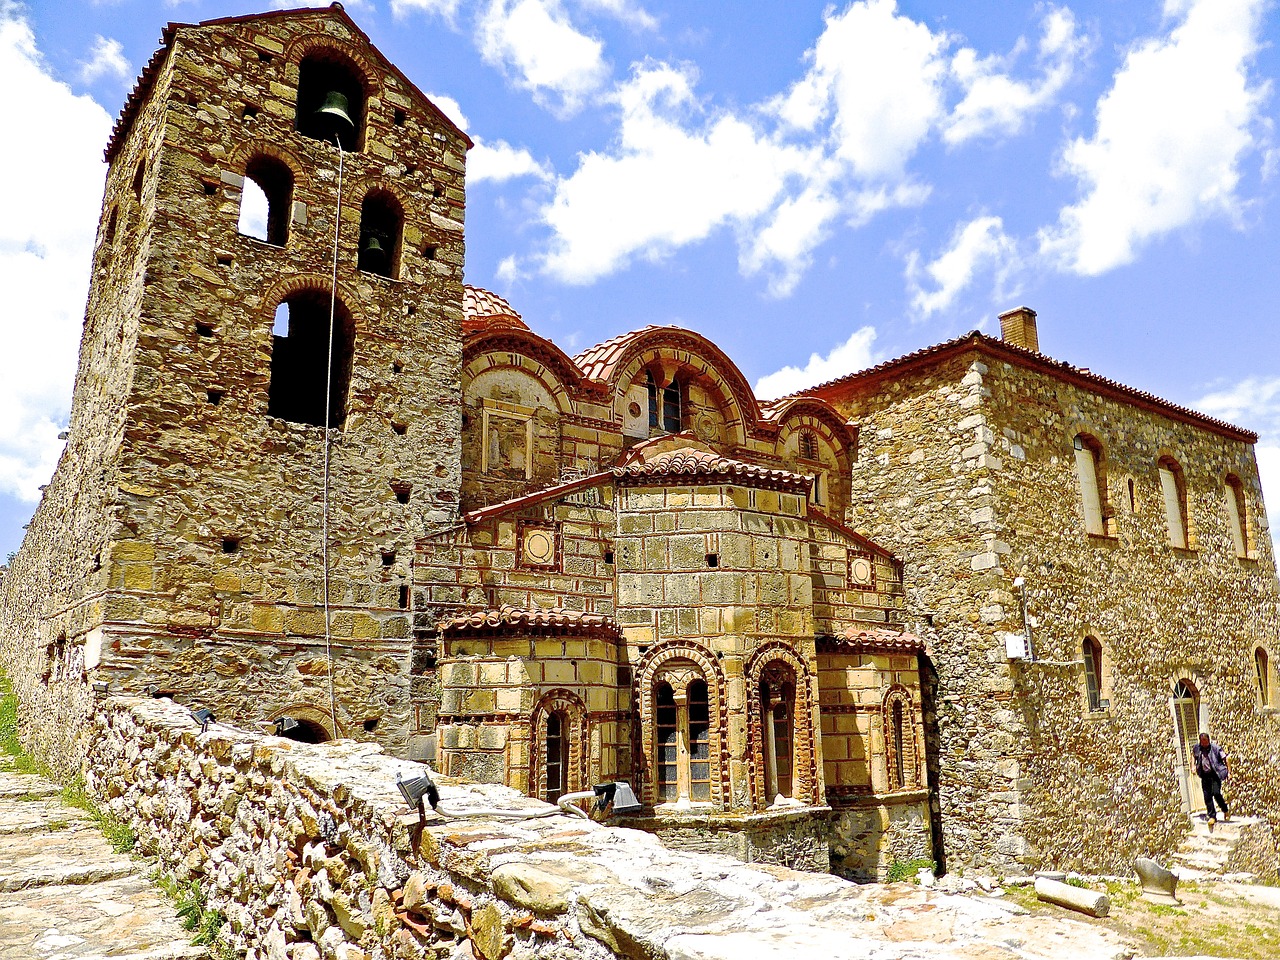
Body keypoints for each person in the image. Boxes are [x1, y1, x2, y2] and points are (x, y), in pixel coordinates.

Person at [1191, 732, 1230, 824]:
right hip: (1205, 775)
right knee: (1207, 796)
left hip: (1215, 774)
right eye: (1202, 742)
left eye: (1206, 742)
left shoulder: (1216, 748)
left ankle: (1225, 810)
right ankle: (1212, 816)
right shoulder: (1197, 748)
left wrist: (1229, 772)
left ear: (1208, 740)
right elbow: (1193, 755)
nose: (1204, 744)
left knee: (1216, 793)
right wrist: (1192, 766)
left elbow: (1226, 758)